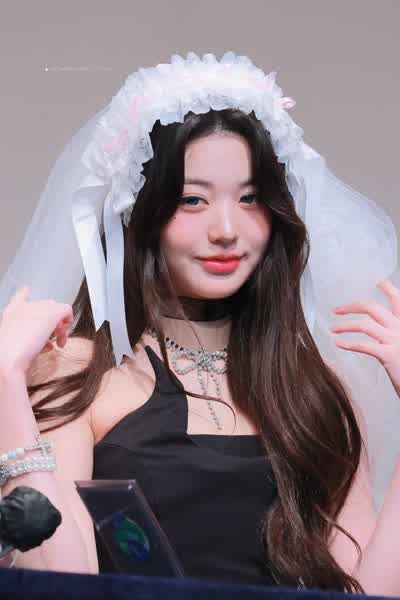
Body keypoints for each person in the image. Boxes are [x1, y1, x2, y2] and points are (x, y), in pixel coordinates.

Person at [0, 51, 400, 594]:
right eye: (192, 200)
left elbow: (367, 591)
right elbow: (58, 581)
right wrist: (7, 383)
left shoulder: (313, 388)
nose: (227, 229)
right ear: (139, 211)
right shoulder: (79, 370)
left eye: (250, 198)